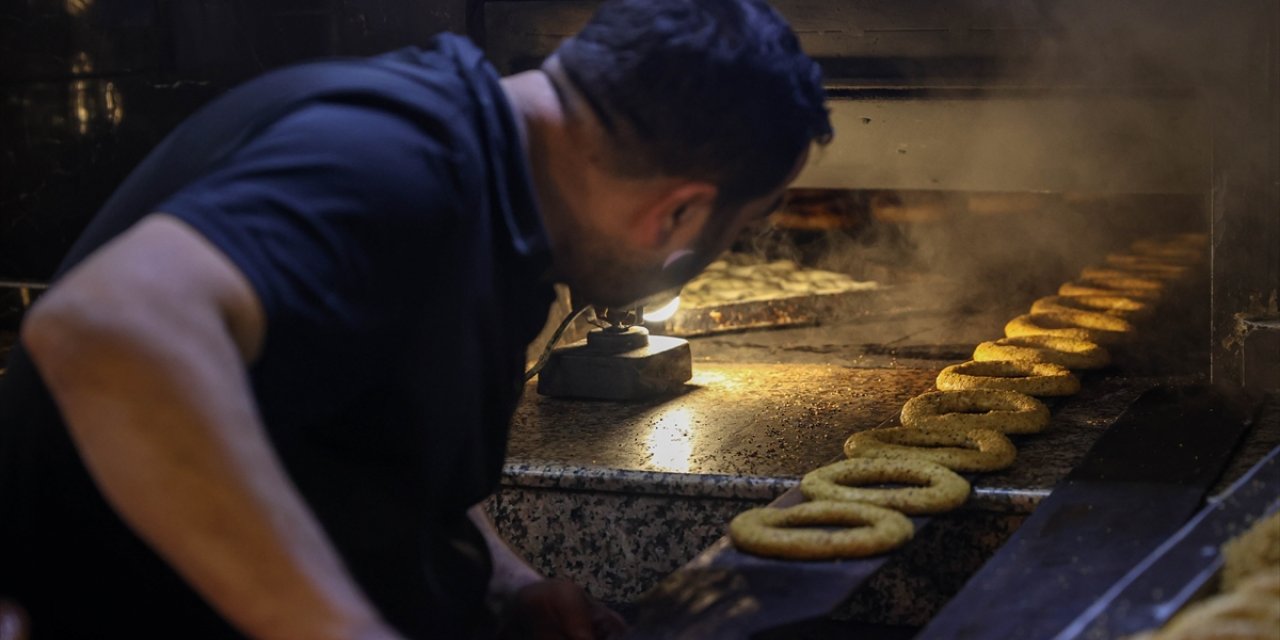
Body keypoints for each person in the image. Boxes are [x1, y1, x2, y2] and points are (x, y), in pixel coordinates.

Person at [0, 0, 831, 637]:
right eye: (736, 228)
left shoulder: (492, 196)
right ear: (678, 216)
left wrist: (506, 584)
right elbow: (108, 328)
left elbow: (355, 428)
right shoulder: (394, 162)